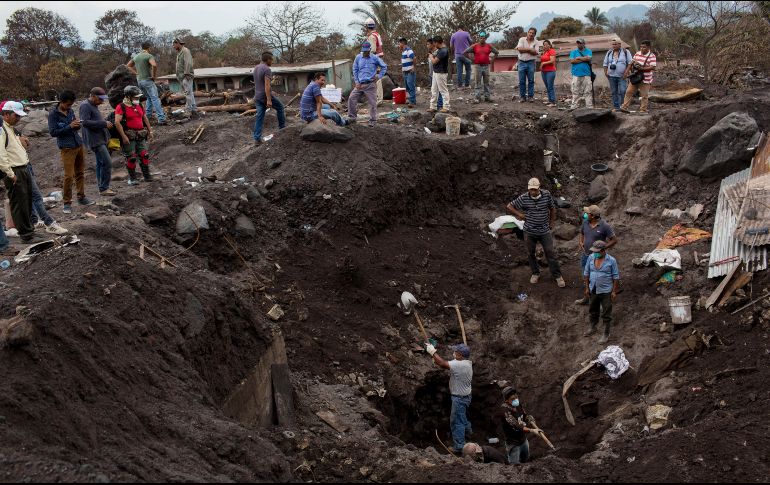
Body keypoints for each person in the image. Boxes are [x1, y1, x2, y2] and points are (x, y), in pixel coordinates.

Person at [507, 178, 565, 287]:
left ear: (539, 187)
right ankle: (535, 273)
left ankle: (557, 275)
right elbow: (509, 206)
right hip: (529, 231)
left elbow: (552, 208)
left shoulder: (546, 195)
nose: (532, 192)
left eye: (535, 189)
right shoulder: (524, 197)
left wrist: (552, 222)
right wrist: (519, 214)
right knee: (530, 253)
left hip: (544, 230)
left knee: (550, 252)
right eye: (531, 190)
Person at [1, 102, 45, 244]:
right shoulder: (2, 130)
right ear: (6, 114)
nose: (18, 119)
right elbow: (1, 154)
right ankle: (26, 235)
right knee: (19, 204)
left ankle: (29, 231)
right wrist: (9, 173)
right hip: (14, 170)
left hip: (22, 168)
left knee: (26, 202)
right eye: (16, 115)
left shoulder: (11, 129)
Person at [48, 90, 95, 215]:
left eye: (71, 105)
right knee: (69, 176)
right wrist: (69, 126)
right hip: (67, 147)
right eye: (68, 105)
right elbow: (53, 132)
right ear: (61, 102)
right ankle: (67, 203)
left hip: (78, 144)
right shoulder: (53, 114)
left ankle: (81, 197)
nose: (69, 107)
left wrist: (77, 125)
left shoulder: (71, 111)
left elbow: (74, 126)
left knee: (80, 172)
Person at [425, 342, 472, 454]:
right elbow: (444, 363)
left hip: (459, 399)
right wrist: (436, 359)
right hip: (466, 396)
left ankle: (459, 447)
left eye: (456, 352)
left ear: (460, 355)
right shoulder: (467, 363)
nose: (454, 353)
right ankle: (469, 432)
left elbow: (442, 363)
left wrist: (432, 351)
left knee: (457, 422)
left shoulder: (460, 365)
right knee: (462, 417)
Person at [576, 205, 617, 304]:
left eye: (587, 213)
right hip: (586, 255)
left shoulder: (604, 226)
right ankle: (587, 297)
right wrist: (581, 242)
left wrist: (603, 248)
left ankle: (600, 301)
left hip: (597, 257)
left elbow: (614, 240)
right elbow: (581, 233)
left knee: (599, 278)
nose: (585, 214)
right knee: (586, 276)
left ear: (593, 216)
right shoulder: (585, 223)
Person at [79, 87, 116, 196]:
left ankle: (102, 187)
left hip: (100, 138)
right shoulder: (85, 106)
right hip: (95, 140)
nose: (102, 101)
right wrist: (103, 124)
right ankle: (104, 188)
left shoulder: (93, 105)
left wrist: (104, 122)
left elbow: (93, 120)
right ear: (93, 96)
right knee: (107, 162)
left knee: (100, 163)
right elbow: (84, 122)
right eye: (100, 99)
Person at [582, 240, 621, 343]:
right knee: (593, 309)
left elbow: (616, 277)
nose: (595, 253)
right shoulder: (591, 258)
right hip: (593, 288)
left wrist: (614, 292)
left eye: (597, 251)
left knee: (606, 312)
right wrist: (587, 288)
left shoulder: (611, 260)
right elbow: (586, 273)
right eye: (594, 251)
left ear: (603, 250)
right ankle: (593, 327)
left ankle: (606, 333)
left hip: (606, 291)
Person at [114, 86, 153, 185]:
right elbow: (117, 123)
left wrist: (150, 131)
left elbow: (144, 118)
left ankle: (147, 176)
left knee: (144, 155)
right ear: (128, 97)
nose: (137, 99)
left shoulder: (139, 105)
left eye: (138, 97)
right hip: (129, 135)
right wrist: (124, 136)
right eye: (135, 97)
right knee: (131, 157)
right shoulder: (121, 107)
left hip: (140, 134)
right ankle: (132, 179)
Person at [348, 41, 388, 127]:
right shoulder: (358, 57)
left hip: (370, 84)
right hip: (360, 84)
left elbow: (384, 66)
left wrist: (379, 76)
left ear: (369, 50)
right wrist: (357, 82)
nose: (365, 53)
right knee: (351, 98)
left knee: (373, 103)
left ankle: (373, 120)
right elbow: (355, 70)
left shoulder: (375, 58)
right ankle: (352, 117)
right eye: (364, 51)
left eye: (367, 51)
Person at [127, 41, 167, 124]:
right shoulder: (149, 56)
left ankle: (147, 117)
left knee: (149, 98)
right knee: (155, 98)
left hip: (139, 81)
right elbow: (154, 65)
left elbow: (128, 66)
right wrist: (154, 76)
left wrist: (136, 73)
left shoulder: (136, 57)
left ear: (142, 48)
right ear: (149, 48)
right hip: (148, 80)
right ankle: (161, 119)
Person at [253, 51, 287, 144]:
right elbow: (267, 85)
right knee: (280, 107)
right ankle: (282, 128)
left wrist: (271, 91)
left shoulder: (256, 68)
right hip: (264, 96)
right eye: (272, 60)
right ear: (268, 59)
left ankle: (257, 138)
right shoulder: (267, 69)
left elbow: (260, 83)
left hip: (257, 96)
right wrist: (268, 99)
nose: (272, 62)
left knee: (259, 116)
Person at [498, 387, 538, 465]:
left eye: (516, 397)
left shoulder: (518, 404)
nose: (516, 400)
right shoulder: (505, 412)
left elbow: (524, 415)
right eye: (513, 399)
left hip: (523, 440)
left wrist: (529, 418)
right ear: (506, 400)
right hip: (513, 444)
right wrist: (532, 430)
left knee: (526, 460)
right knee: (514, 466)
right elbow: (517, 425)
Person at [620, 40, 657, 114]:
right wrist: (626, 72)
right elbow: (631, 63)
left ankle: (643, 110)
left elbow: (653, 67)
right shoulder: (637, 54)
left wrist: (642, 68)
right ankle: (624, 107)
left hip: (645, 79)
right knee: (629, 92)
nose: (642, 48)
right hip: (635, 77)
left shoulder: (652, 56)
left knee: (644, 95)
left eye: (644, 47)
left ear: (648, 47)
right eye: (641, 47)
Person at [463, 31, 499, 103]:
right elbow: (465, 52)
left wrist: (491, 61)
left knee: (486, 82)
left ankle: (487, 97)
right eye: (481, 37)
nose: (482, 39)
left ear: (485, 38)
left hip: (486, 66)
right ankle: (477, 97)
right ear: (479, 38)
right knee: (477, 82)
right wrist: (472, 59)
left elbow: (496, 52)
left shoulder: (489, 46)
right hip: (477, 66)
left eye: (483, 37)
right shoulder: (475, 46)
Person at [603, 38, 632, 111]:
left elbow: (630, 63)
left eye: (615, 44)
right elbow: (605, 63)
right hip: (611, 76)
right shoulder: (609, 52)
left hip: (622, 76)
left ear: (620, 44)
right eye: (613, 44)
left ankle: (623, 106)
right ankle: (616, 107)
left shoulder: (626, 52)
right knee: (614, 92)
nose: (614, 45)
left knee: (623, 90)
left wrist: (626, 72)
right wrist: (605, 72)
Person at [173, 38, 197, 116]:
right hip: (181, 76)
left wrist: (186, 73)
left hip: (185, 76)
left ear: (178, 43)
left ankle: (188, 110)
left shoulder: (185, 51)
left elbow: (188, 63)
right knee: (190, 93)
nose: (173, 46)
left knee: (188, 94)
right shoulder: (179, 52)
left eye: (174, 44)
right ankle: (193, 109)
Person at [364, 18, 385, 106]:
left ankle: (378, 99)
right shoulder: (377, 34)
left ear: (367, 26)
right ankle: (377, 98)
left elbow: (372, 50)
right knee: (377, 79)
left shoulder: (372, 36)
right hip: (379, 58)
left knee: (375, 80)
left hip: (374, 59)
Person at [516, 28, 540, 102]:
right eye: (530, 32)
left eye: (533, 33)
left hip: (531, 63)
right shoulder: (522, 39)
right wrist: (530, 50)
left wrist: (524, 50)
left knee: (531, 80)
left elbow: (536, 52)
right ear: (527, 33)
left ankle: (530, 97)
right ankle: (522, 97)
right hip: (521, 62)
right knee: (521, 81)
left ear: (535, 34)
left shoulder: (536, 42)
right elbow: (519, 49)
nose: (531, 34)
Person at [428, 36, 450, 113]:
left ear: (437, 43)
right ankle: (433, 106)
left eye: (434, 43)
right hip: (436, 71)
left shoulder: (443, 51)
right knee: (434, 90)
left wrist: (430, 56)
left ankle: (446, 107)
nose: (434, 45)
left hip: (441, 72)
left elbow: (434, 61)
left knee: (443, 90)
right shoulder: (440, 50)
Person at [569, 39, 594, 109]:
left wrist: (579, 58)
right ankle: (574, 107)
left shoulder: (588, 51)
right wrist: (584, 59)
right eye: (578, 43)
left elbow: (588, 59)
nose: (579, 44)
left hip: (586, 74)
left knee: (588, 91)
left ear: (584, 44)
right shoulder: (573, 52)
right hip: (576, 74)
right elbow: (572, 61)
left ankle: (589, 107)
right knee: (575, 91)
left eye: (580, 43)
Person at [426, 37, 443, 110]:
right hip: (431, 74)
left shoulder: (438, 52)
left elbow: (436, 62)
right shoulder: (431, 53)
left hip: (437, 74)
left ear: (433, 44)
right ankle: (434, 106)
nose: (427, 46)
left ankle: (440, 105)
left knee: (439, 90)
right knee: (434, 91)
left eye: (428, 44)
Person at [399, 38, 417, 107]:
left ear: (403, 43)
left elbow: (414, 58)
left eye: (399, 43)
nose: (399, 45)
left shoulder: (409, 50)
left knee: (411, 85)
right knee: (407, 86)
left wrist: (413, 67)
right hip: (405, 72)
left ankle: (412, 101)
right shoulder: (403, 51)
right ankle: (411, 100)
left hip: (410, 71)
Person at [540, 39, 557, 106]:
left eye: (547, 44)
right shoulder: (544, 52)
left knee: (550, 86)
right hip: (544, 71)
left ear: (550, 45)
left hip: (550, 71)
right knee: (547, 86)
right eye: (544, 45)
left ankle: (553, 102)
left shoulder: (551, 51)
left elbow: (552, 60)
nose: (545, 46)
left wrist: (543, 63)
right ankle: (550, 100)